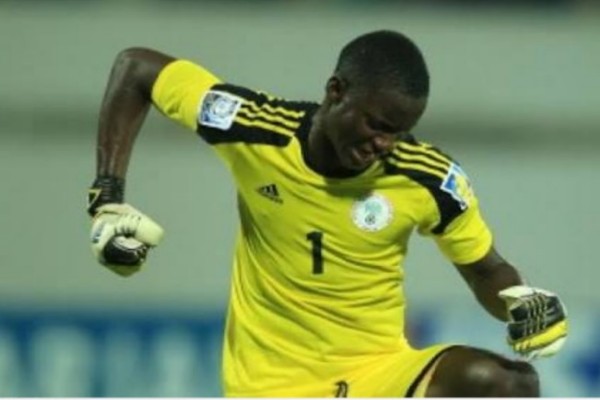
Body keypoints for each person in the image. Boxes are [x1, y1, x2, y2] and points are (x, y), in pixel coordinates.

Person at [87, 30, 568, 397]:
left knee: (509, 383)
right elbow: (137, 68)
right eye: (377, 124)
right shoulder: (255, 129)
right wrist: (107, 199)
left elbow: (486, 270)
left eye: (399, 132)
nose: (384, 144)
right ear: (336, 91)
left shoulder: (427, 177)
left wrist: (521, 305)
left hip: (377, 373)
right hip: (269, 386)